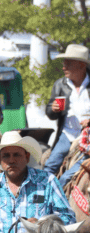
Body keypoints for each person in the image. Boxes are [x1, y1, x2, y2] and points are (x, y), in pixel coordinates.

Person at [44, 44, 90, 180]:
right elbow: (49, 113)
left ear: (81, 66)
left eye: (68, 64)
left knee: (69, 177)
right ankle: (40, 199)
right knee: (49, 167)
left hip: (87, 137)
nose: (64, 67)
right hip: (66, 135)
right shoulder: (60, 84)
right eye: (64, 64)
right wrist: (53, 109)